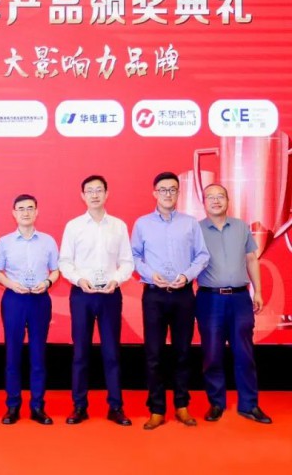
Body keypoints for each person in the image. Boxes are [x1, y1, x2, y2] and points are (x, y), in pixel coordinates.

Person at [131, 171, 210, 430]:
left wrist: (187, 276)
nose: (168, 194)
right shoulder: (142, 224)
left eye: (173, 189)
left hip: (183, 295)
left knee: (182, 352)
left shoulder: (190, 223)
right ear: (154, 193)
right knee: (154, 354)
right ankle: (156, 409)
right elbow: (134, 256)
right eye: (163, 189)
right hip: (154, 294)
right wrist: (148, 273)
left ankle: (182, 405)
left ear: (178, 192)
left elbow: (202, 255)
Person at [58, 175, 134, 426]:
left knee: (112, 353)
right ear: (82, 195)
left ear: (106, 193)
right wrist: (79, 279)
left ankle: (116, 406)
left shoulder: (118, 226)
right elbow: (65, 261)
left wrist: (116, 279)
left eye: (99, 190)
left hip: (110, 295)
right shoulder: (74, 226)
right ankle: (79, 406)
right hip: (82, 295)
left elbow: (127, 262)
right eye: (89, 191)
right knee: (81, 352)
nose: (94, 195)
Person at [196, 184, 271, 424]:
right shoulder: (196, 230)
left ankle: (249, 405)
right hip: (209, 299)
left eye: (220, 196)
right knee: (212, 354)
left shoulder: (241, 227)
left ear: (228, 201)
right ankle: (216, 403)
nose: (216, 201)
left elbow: (251, 259)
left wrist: (258, 291)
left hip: (240, 299)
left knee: (244, 353)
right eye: (210, 197)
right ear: (204, 202)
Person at [0, 194, 59, 425]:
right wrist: (12, 284)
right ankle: (12, 406)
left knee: (38, 355)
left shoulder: (48, 241)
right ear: (14, 213)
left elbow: (56, 270)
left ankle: (37, 406)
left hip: (39, 300)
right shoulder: (4, 242)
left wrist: (48, 282)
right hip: (14, 299)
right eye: (21, 209)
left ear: (36, 212)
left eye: (30, 208)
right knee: (12, 354)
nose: (25, 212)